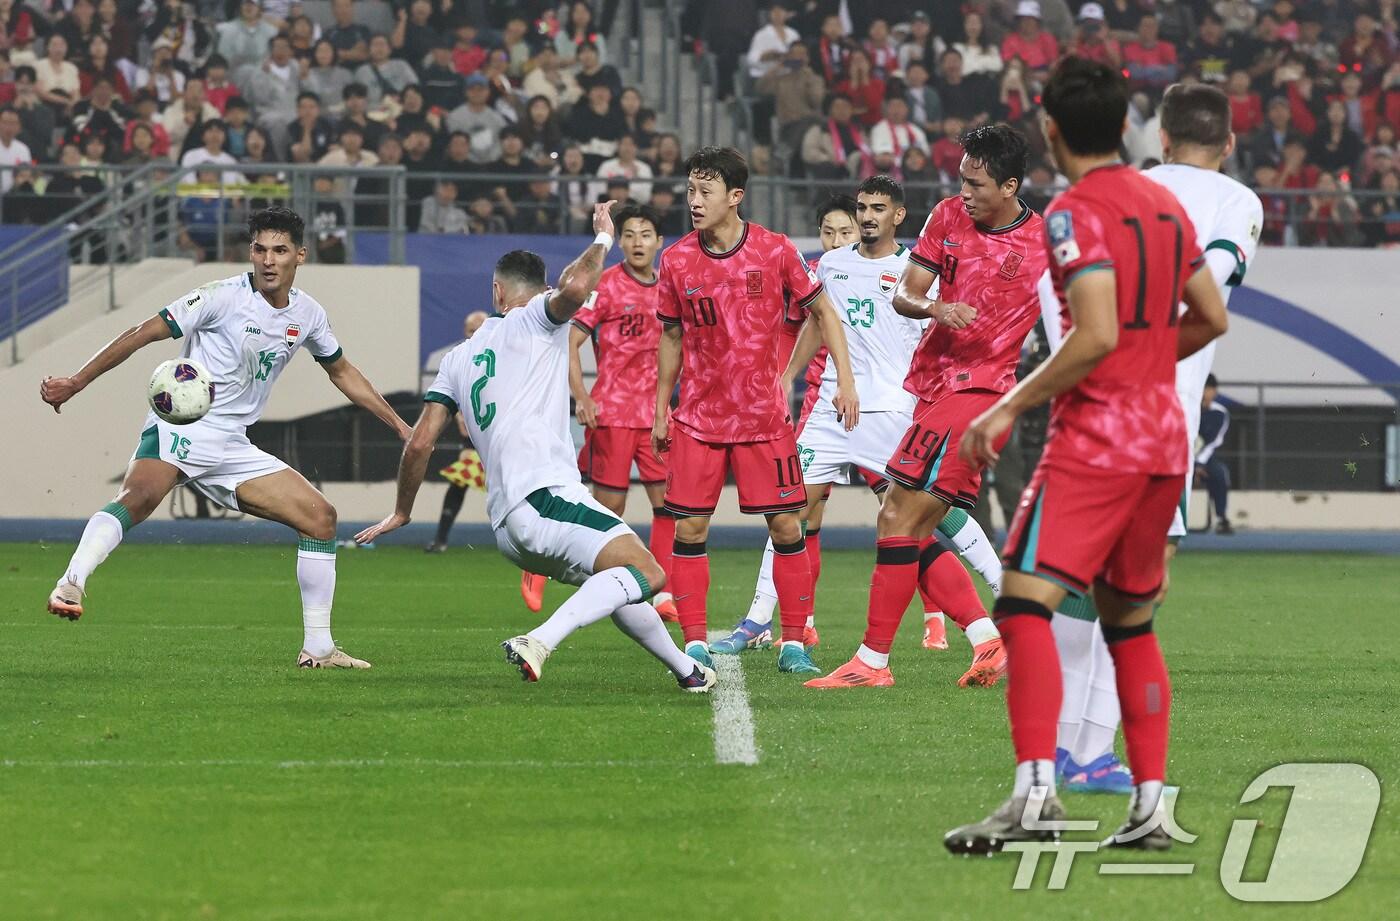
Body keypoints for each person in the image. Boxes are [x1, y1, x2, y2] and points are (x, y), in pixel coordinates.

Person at [944, 58, 1228, 855]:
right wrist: (1148, 360)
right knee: (1130, 624)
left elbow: (1096, 331)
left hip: (1099, 437)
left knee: (1020, 604)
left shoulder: (1072, 212)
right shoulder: (1166, 205)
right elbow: (1211, 317)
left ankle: (1035, 795)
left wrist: (1008, 404)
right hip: (1163, 441)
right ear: (1126, 124)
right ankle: (1149, 807)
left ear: (1050, 129)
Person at [356, 207, 715, 693]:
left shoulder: (457, 359)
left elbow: (420, 443)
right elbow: (575, 288)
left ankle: (687, 672)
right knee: (648, 571)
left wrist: (402, 511)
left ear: (496, 292)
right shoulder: (535, 321)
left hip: (507, 528)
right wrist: (603, 239)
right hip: (546, 498)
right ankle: (540, 640)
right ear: (537, 290)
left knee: (616, 584)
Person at [41, 208, 412, 669]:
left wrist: (401, 427)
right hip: (182, 425)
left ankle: (318, 649)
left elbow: (342, 371)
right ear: (250, 252)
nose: (268, 260)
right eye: (260, 249)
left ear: (300, 255)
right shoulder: (219, 297)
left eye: (280, 250)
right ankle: (71, 582)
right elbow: (141, 333)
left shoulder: (309, 314)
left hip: (232, 444)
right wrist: (77, 381)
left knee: (320, 519)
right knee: (137, 499)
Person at [1043, 83, 1262, 794]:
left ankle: (1062, 747)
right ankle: (1088, 752)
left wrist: (1085, 355)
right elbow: (1209, 285)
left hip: (1086, 406)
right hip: (1158, 418)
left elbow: (1055, 288)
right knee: (1136, 592)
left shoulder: (1113, 192)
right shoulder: (1237, 202)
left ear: (1160, 138)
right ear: (1228, 142)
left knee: (1079, 578)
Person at [803, 125, 1046, 691]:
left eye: (976, 184)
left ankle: (872, 662)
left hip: (979, 394)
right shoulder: (947, 216)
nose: (964, 192)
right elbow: (905, 294)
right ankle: (989, 638)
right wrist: (937, 308)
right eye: (961, 179)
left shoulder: (1042, 245)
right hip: (930, 391)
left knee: (897, 516)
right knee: (911, 525)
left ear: (1010, 186)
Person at [651, 145, 859, 676]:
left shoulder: (775, 250)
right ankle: (693, 644)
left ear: (735, 196)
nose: (694, 201)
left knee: (788, 527)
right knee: (688, 530)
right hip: (698, 419)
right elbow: (670, 336)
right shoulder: (675, 259)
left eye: (706, 191)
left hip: (764, 420)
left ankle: (794, 643)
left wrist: (846, 380)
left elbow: (823, 312)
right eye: (690, 191)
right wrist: (660, 409)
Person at [567, 203, 677, 620]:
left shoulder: (670, 287)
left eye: (645, 235)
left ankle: (662, 593)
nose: (637, 242)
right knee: (609, 509)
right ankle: (586, 575)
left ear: (659, 242)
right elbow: (570, 342)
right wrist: (581, 396)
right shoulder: (607, 284)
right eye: (629, 235)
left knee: (669, 506)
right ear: (621, 242)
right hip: (612, 413)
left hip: (658, 416)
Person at [425, 310, 490, 552]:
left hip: (498, 436)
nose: (475, 334)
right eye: (471, 330)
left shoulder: (499, 354)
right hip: (472, 438)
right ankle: (441, 539)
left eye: (479, 329)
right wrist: (459, 415)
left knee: (510, 487)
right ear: (465, 331)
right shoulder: (458, 357)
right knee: (460, 482)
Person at [1197, 374, 1232, 534]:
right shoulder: (1187, 407)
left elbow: (1214, 442)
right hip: (1180, 456)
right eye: (1204, 388)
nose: (1206, 393)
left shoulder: (1220, 413)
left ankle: (1221, 518)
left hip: (1204, 458)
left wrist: (1199, 463)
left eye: (1210, 389)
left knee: (1219, 474)